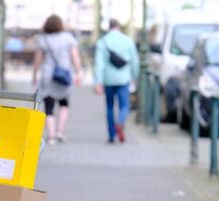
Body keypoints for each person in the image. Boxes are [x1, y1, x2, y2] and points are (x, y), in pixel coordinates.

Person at [32, 14, 83, 144]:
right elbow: (75, 57)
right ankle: (60, 131)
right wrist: (78, 73)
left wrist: (34, 75)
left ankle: (51, 136)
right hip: (64, 75)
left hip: (48, 75)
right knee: (64, 103)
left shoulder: (43, 39)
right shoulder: (68, 38)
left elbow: (37, 60)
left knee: (49, 106)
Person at [94, 19, 139, 143]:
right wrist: (135, 76)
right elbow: (135, 61)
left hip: (108, 79)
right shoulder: (128, 40)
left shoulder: (102, 42)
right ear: (119, 27)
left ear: (109, 27)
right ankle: (120, 122)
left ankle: (111, 134)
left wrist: (98, 81)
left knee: (109, 106)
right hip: (124, 78)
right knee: (124, 105)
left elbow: (99, 64)